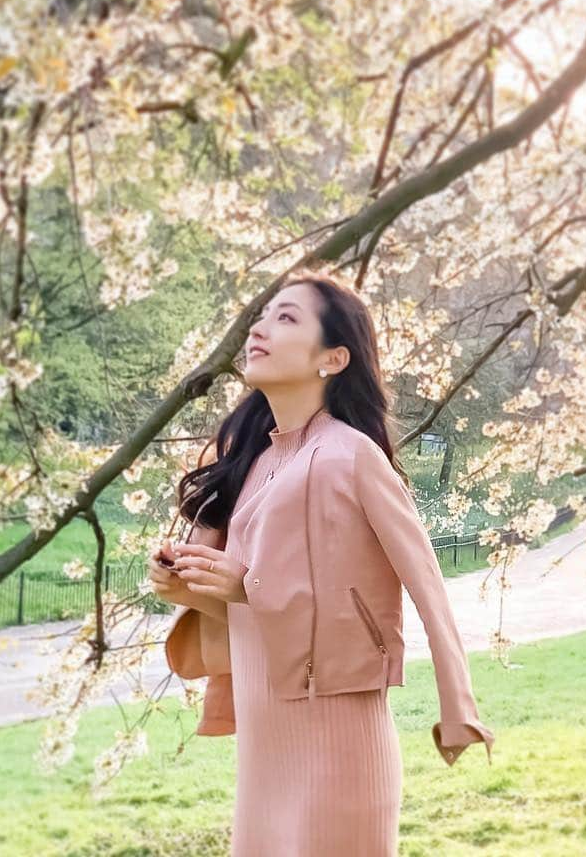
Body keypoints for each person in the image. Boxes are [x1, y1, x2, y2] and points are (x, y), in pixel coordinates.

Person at [148, 274, 494, 857]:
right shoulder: (248, 464)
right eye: (262, 316)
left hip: (338, 748)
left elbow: (426, 584)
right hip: (265, 750)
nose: (259, 328)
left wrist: (458, 706)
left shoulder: (352, 454)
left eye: (286, 319)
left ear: (333, 357)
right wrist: (191, 584)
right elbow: (256, 608)